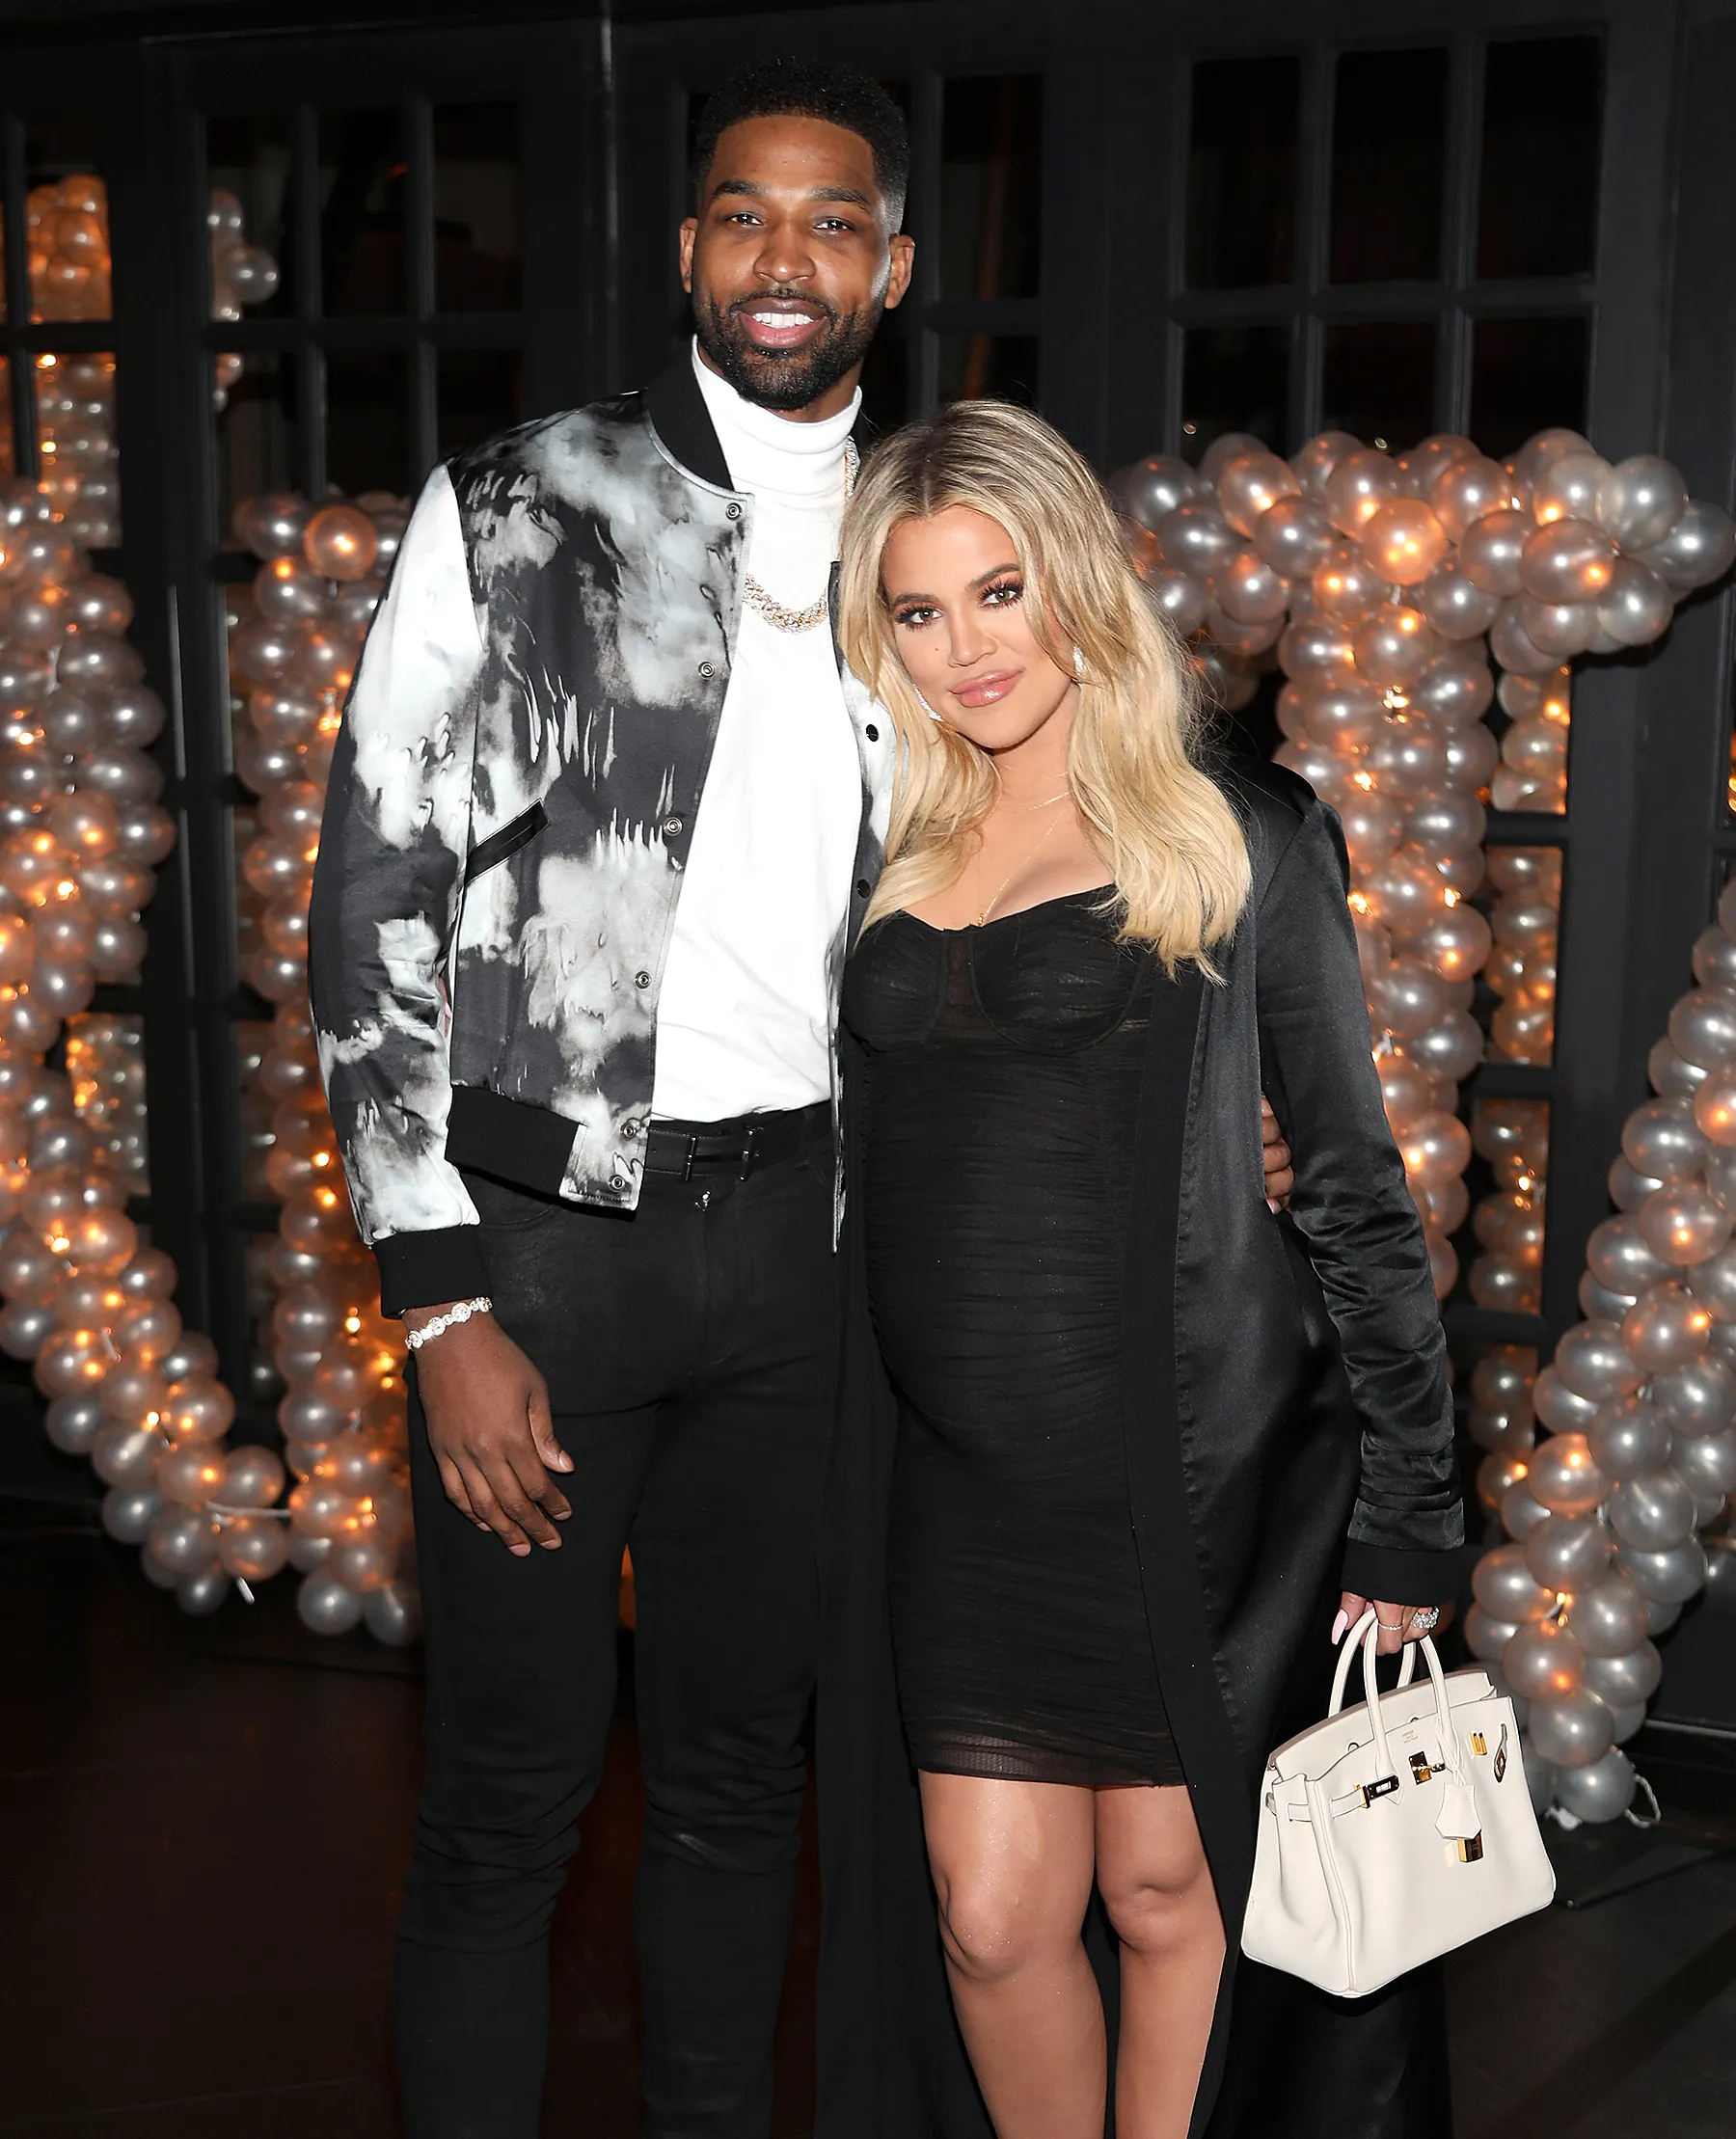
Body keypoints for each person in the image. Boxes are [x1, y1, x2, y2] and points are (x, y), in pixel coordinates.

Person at [308, 54, 1291, 2139]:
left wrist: (1225, 1095)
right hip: (541, 1253)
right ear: (689, 247)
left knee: (743, 1789)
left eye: (834, 220)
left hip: (814, 1262)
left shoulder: (927, 545)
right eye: (746, 214)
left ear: (893, 265)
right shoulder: (516, 502)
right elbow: (373, 891)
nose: (786, 256)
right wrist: (436, 1293)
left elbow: (1080, 823)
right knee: (506, 1802)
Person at [829, 399, 1464, 2139]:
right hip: (954, 1488)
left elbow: (1354, 1189)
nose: (967, 648)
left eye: (1001, 590)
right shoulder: (887, 840)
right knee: (988, 1916)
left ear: (1080, 582)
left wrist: (1415, 1506)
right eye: (918, 610)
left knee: (1173, 1894)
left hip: (1180, 1476)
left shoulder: (1238, 833)